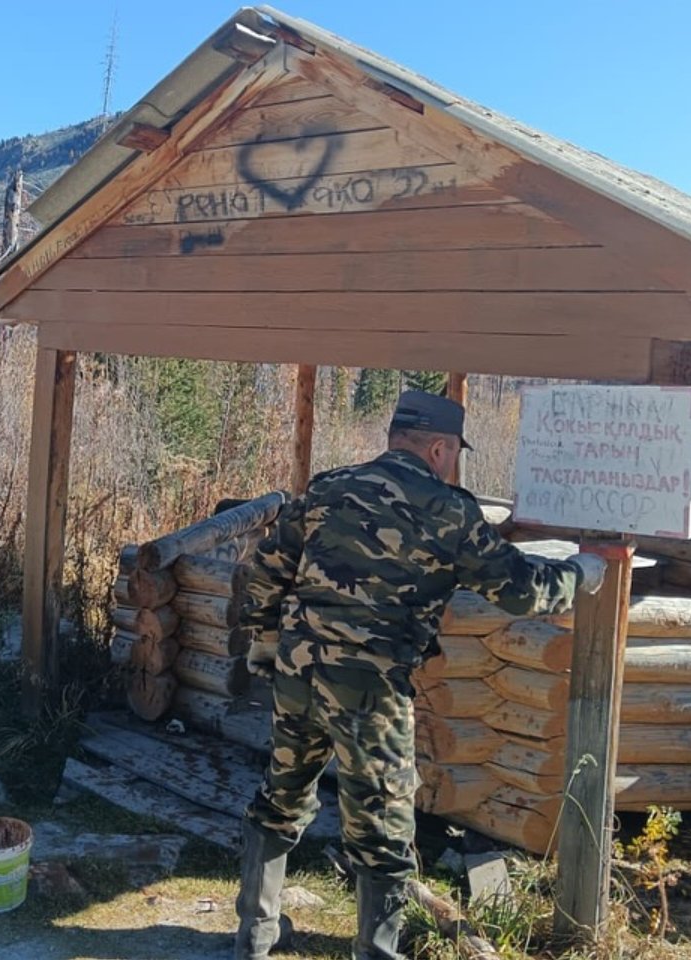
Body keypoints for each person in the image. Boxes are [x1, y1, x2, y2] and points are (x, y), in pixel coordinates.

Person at [232, 389, 607, 960]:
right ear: (438, 447)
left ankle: (253, 940)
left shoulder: (329, 488)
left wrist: (263, 641)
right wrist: (583, 571)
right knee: (382, 829)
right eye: (454, 451)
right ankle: (376, 953)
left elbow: (262, 568)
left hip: (298, 674)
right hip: (371, 694)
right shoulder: (449, 510)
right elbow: (521, 590)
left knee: (279, 798)